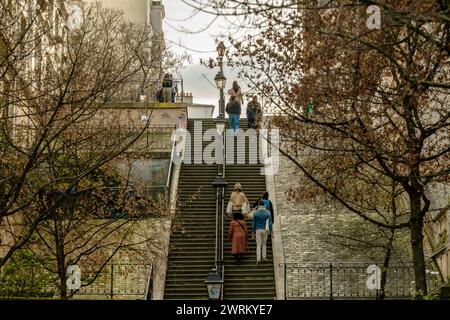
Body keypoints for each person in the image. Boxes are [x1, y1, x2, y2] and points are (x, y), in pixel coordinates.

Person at [252, 199, 272, 265]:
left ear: (258, 204)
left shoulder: (255, 212)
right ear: (264, 205)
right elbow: (270, 223)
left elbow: (253, 223)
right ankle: (264, 257)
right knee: (264, 244)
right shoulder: (268, 212)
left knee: (258, 245)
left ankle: (258, 259)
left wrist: (253, 231)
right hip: (265, 230)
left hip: (258, 229)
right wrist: (271, 231)